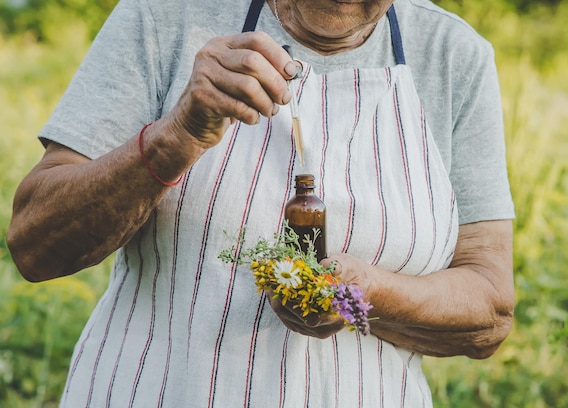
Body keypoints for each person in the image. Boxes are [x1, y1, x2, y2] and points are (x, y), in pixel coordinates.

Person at [7, 0, 516, 406]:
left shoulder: (453, 55)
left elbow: (489, 310)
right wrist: (177, 134)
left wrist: (364, 295)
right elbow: (35, 245)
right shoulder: (165, 15)